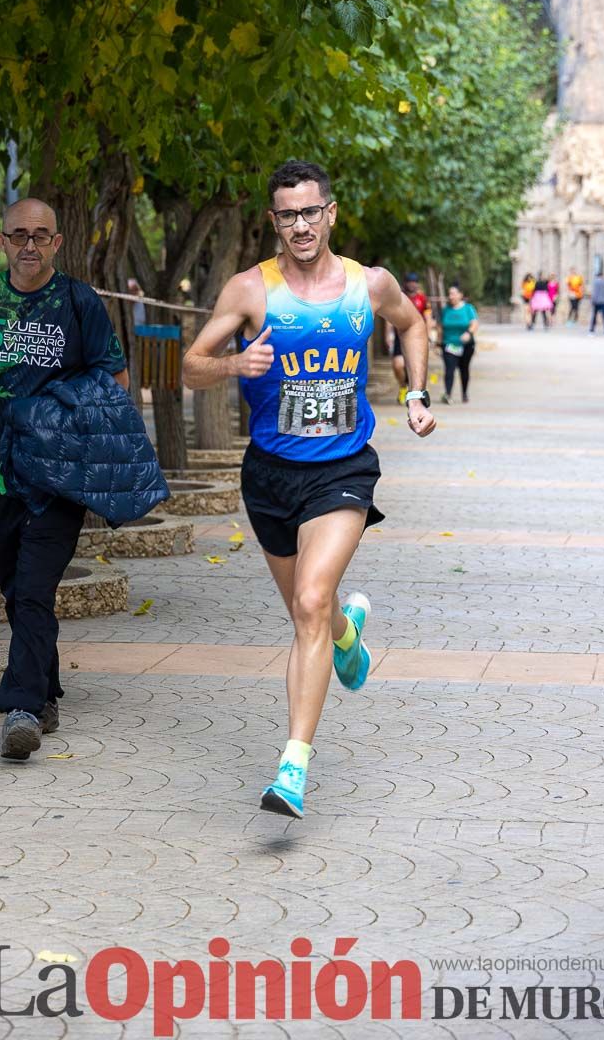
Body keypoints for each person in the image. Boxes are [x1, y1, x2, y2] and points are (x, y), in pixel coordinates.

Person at [182, 160, 436, 819]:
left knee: (312, 599)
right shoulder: (249, 290)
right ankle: (347, 642)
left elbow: (413, 324)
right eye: (288, 215)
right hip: (269, 475)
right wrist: (238, 362)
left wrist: (416, 393)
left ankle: (292, 767)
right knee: (307, 613)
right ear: (274, 223)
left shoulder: (368, 285)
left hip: (343, 469)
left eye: (310, 212)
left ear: (331, 213)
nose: (301, 224)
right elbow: (191, 366)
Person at [0, 198, 130, 761]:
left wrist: (68, 417)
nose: (29, 244)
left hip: (58, 479)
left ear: (57, 242)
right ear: (2, 241)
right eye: (19, 234)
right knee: (16, 591)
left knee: (33, 589)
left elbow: (115, 379)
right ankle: (45, 692)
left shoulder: (79, 303)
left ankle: (20, 709)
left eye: (40, 234)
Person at [390, 272, 430, 403]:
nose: (412, 284)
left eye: (414, 282)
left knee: (415, 365)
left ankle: (415, 394)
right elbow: (389, 318)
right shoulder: (399, 297)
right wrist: (388, 335)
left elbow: (428, 318)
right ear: (406, 283)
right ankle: (402, 386)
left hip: (417, 337)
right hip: (399, 335)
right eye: (410, 281)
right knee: (398, 365)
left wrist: (428, 335)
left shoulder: (422, 299)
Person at [439, 285, 478, 404]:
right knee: (449, 369)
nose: (451, 296)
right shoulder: (445, 310)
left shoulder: (468, 308)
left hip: (465, 345)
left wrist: (468, 333)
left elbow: (474, 323)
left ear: (460, 295)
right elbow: (440, 327)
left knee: (464, 369)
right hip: (448, 344)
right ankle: (448, 393)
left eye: (454, 293)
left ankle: (464, 393)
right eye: (449, 294)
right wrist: (438, 343)